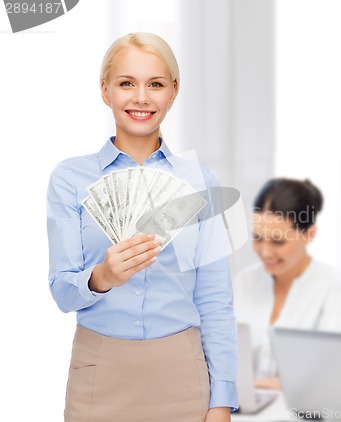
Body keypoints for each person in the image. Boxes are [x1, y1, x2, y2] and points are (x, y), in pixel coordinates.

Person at [47, 32, 237, 421]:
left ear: (173, 91)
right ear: (105, 91)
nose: (141, 98)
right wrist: (101, 276)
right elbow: (62, 293)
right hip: (100, 372)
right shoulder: (69, 178)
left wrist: (221, 400)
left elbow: (216, 300)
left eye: (155, 84)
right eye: (126, 83)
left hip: (183, 375)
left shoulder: (203, 180)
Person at [233, 178, 341, 390]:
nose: (266, 252)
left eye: (278, 241)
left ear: (309, 235)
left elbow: (332, 373)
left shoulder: (334, 287)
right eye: (258, 238)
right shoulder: (243, 281)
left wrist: (258, 386)